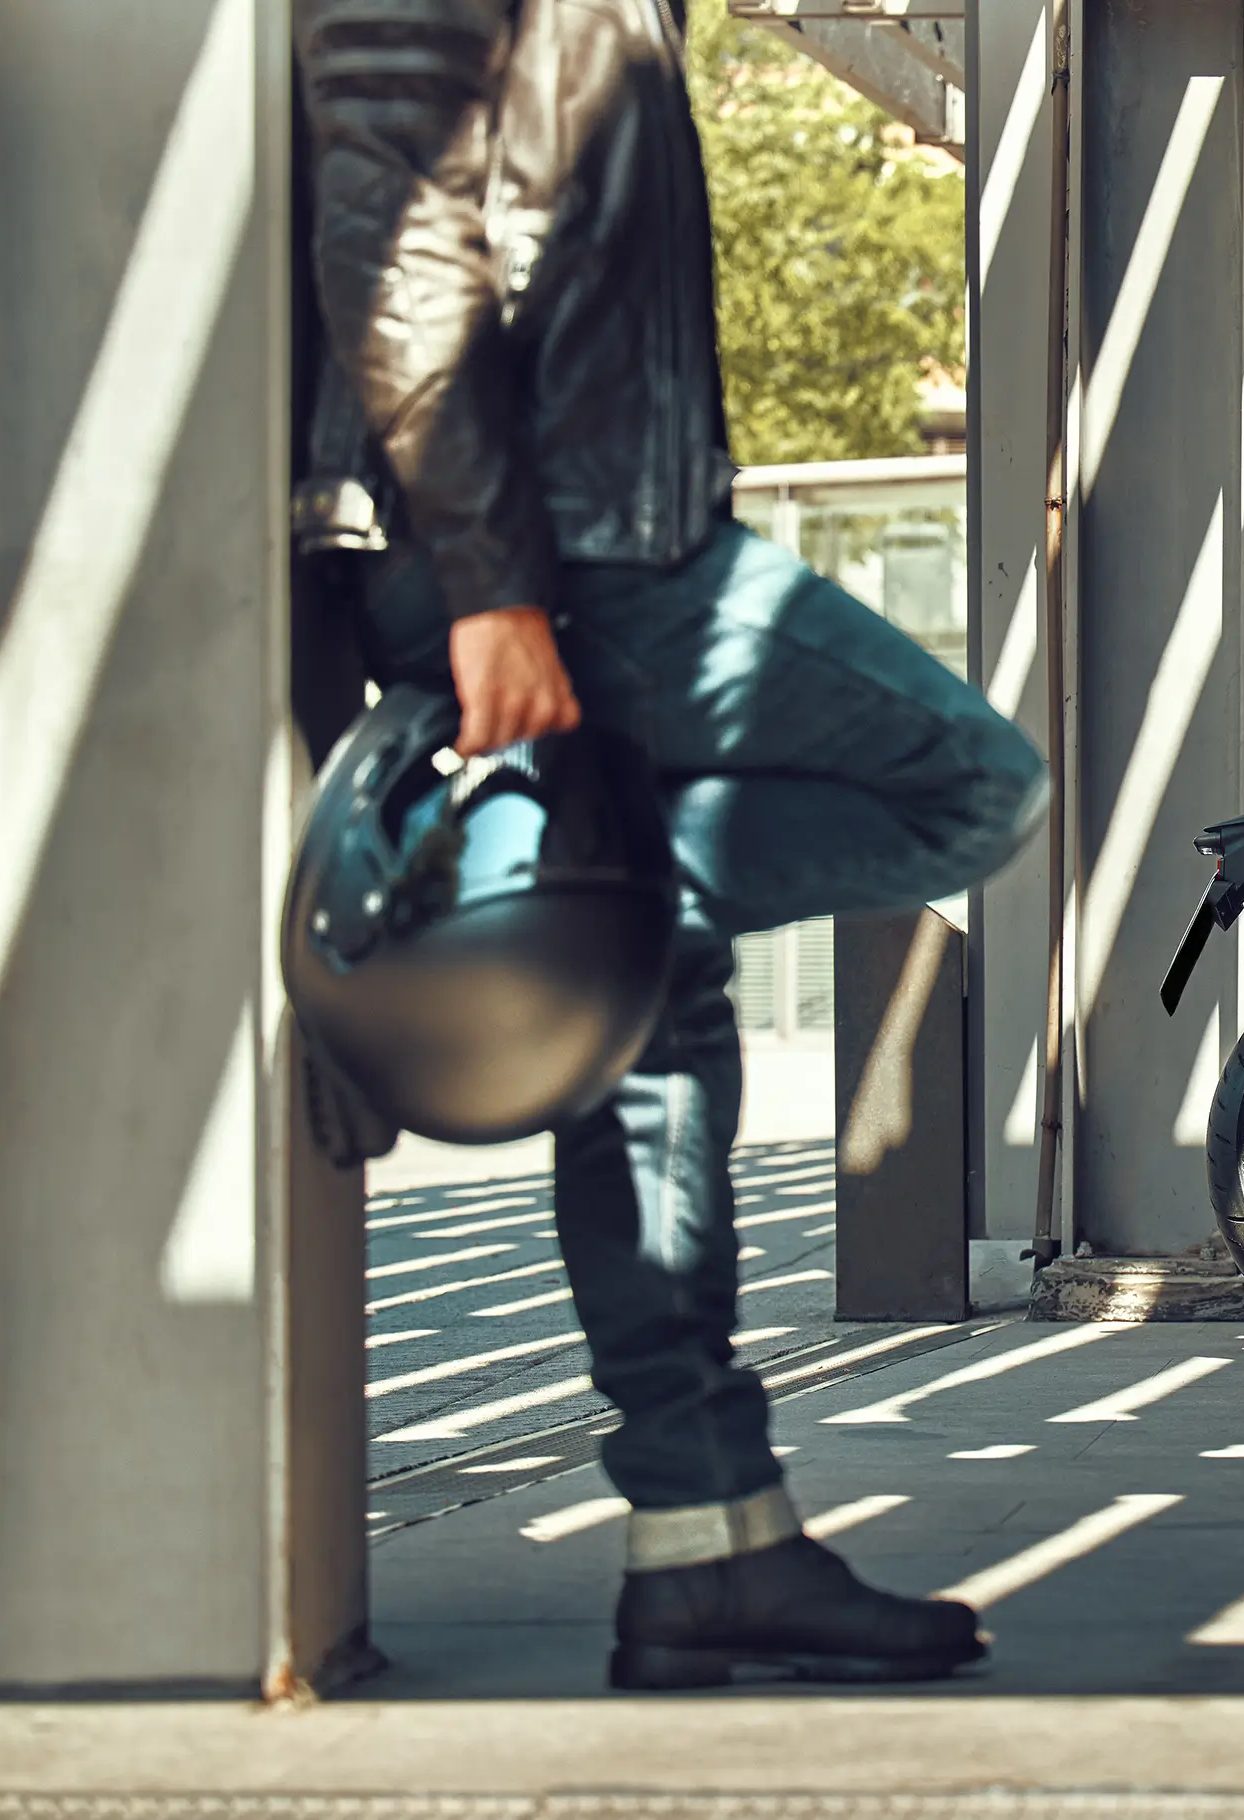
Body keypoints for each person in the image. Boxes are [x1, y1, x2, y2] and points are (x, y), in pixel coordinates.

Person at [293, 0, 1044, 1688]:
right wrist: (492, 580)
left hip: (582, 525)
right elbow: (388, 229)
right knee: (970, 785)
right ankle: (512, 922)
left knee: (656, 1025)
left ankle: (710, 1547)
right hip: (568, 548)